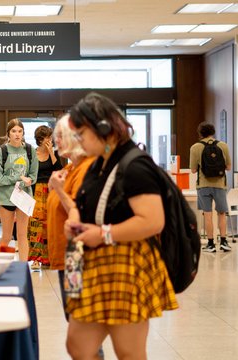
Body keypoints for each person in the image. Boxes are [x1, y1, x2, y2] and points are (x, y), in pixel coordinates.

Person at [64, 92, 178, 359]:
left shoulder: (135, 165)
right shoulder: (100, 164)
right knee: (78, 345)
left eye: (81, 134)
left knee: (129, 352)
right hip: (97, 263)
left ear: (103, 128)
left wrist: (103, 234)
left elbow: (152, 221)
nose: (77, 141)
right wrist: (77, 223)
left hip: (127, 265)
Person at [46, 115, 94, 316]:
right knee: (74, 316)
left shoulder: (86, 170)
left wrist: (59, 190)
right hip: (65, 254)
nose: (56, 141)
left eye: (61, 136)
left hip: (77, 255)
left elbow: (80, 213)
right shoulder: (68, 168)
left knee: (80, 318)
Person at [0, 118, 38, 263]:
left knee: (22, 235)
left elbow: (33, 176)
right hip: (5, 198)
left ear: (23, 133)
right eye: (14, 131)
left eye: (20, 131)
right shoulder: (1, 152)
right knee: (6, 236)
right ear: (8, 134)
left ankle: (23, 267)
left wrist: (27, 181)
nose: (17, 134)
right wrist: (18, 178)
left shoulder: (30, 150)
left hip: (23, 197)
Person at [189, 122, 232, 252]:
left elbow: (193, 170)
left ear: (200, 133)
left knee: (207, 215)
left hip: (203, 185)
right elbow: (229, 167)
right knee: (222, 214)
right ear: (213, 132)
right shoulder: (223, 145)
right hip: (220, 184)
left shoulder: (195, 147)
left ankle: (211, 244)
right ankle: (224, 242)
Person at [28, 125, 63, 270]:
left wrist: (52, 153)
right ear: (40, 140)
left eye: (50, 137)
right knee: (35, 225)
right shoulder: (32, 154)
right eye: (47, 138)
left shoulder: (53, 153)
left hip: (50, 191)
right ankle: (35, 258)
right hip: (36, 191)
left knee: (49, 224)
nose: (50, 140)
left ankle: (48, 258)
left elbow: (59, 170)